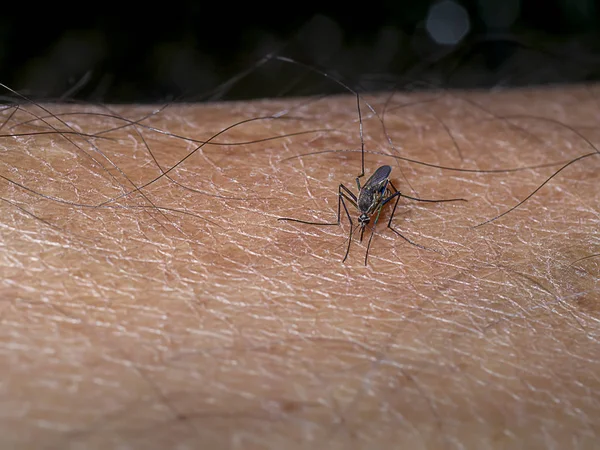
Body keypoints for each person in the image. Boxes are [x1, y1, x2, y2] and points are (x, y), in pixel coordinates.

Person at [1, 86, 598, 448]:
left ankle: (394, 214)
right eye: (361, 217)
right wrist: (353, 227)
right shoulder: (353, 200)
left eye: (363, 218)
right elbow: (358, 196)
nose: (362, 215)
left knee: (390, 199)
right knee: (349, 194)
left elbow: (383, 192)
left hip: (388, 190)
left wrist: (379, 215)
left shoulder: (380, 200)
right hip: (366, 190)